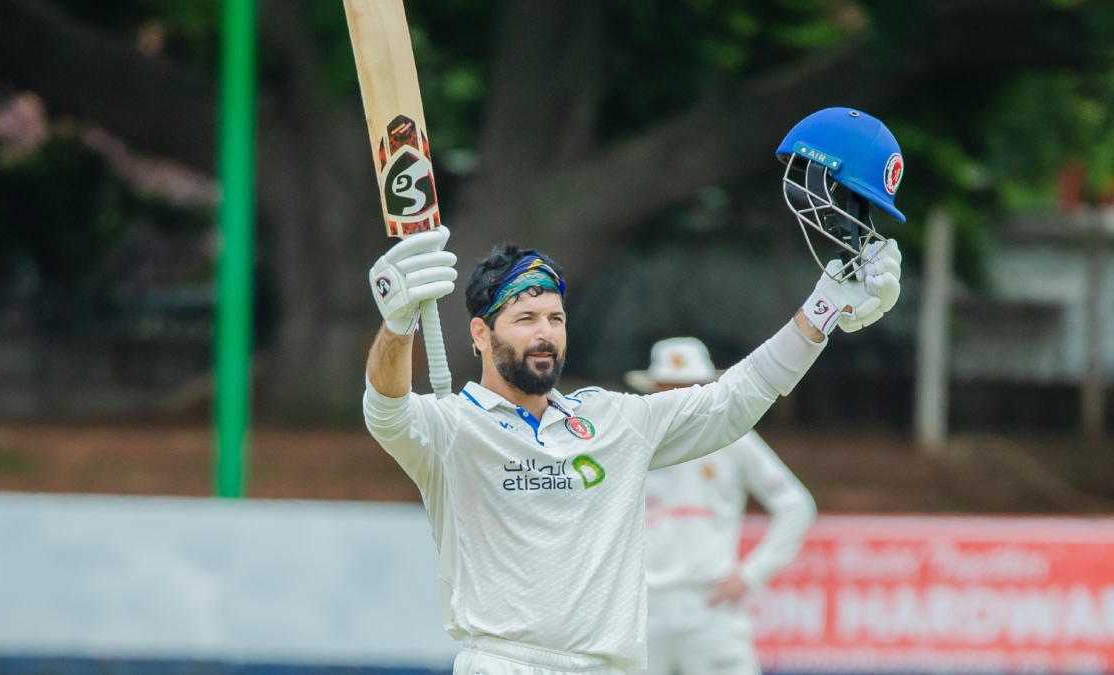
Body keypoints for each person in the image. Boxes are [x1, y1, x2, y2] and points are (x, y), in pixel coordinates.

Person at [362, 107, 905, 675]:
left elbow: (733, 400)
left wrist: (823, 308)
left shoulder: (611, 420)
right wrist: (398, 323)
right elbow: (385, 410)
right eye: (525, 319)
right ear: (481, 333)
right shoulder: (451, 429)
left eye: (555, 317)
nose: (545, 333)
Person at [627, 338, 816, 675]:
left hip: (711, 606)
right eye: (670, 385)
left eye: (687, 386)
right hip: (640, 612)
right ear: (654, 388)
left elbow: (796, 506)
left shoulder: (734, 438)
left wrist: (750, 576)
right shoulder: (629, 440)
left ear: (706, 387)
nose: (678, 395)